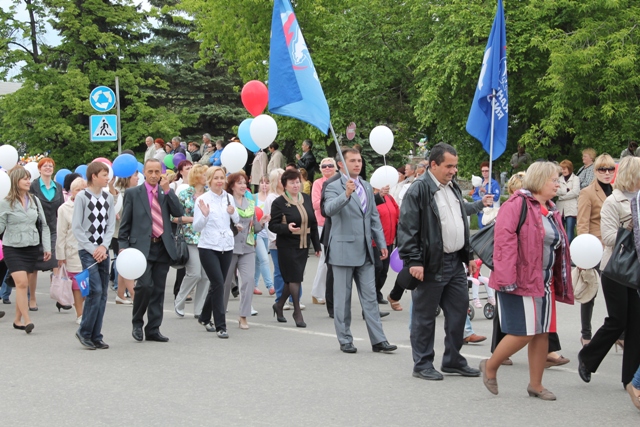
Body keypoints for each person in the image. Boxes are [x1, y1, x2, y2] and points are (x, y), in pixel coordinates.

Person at [397, 143, 493, 380]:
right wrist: (414, 261)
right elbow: (407, 228)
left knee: (459, 312)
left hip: (455, 262)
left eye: (455, 166)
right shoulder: (419, 189)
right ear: (433, 165)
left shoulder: (453, 189)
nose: (453, 171)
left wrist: (468, 256)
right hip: (429, 264)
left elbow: (460, 223)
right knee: (425, 316)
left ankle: (452, 360)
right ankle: (422, 363)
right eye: (449, 166)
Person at [480, 161, 574, 400]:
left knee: (542, 332)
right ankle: (491, 365)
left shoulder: (550, 208)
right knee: (524, 332)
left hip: (544, 280)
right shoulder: (517, 204)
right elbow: (504, 243)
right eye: (554, 180)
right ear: (540, 180)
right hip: (520, 279)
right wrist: (507, 278)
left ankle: (536, 384)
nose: (557, 184)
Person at [324, 147, 397, 354]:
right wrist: (346, 194)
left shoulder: (366, 186)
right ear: (341, 165)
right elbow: (328, 210)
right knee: (343, 299)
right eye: (353, 161)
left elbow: (373, 217)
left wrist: (381, 243)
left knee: (370, 297)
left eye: (359, 160)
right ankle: (345, 339)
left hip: (366, 250)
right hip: (343, 250)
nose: (358, 164)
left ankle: (378, 340)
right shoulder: (333, 186)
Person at [578, 156, 640, 388]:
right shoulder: (614, 201)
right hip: (615, 268)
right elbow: (609, 237)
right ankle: (587, 357)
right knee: (618, 320)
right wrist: (632, 227)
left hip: (636, 268)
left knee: (636, 324)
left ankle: (630, 380)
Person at [119, 158, 184, 343]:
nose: (154, 175)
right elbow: (125, 223)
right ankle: (137, 322)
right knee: (145, 286)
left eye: (157, 172)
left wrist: (167, 191)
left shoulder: (166, 193)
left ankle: (154, 328)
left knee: (158, 289)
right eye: (151, 172)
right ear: (144, 173)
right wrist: (123, 247)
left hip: (162, 246)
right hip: (141, 248)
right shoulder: (133, 193)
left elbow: (178, 212)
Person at [0, 166, 51, 334]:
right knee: (21, 283)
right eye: (25, 179)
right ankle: (27, 319)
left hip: (31, 246)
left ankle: (17, 320)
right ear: (16, 181)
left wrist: (47, 247)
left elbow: (44, 224)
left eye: (29, 178)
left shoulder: (34, 200)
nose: (29, 181)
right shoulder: (5, 202)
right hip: (12, 248)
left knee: (23, 285)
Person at [71, 162, 116, 349]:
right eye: (104, 174)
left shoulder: (108, 198)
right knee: (95, 290)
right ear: (94, 176)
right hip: (88, 251)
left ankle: (96, 334)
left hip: (103, 251)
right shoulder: (82, 196)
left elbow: (110, 225)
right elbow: (77, 227)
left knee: (103, 293)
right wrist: (93, 249)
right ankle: (84, 331)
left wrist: (104, 247)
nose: (107, 178)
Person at [269, 169, 320, 328]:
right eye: (292, 182)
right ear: (284, 185)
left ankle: (279, 305)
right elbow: (272, 225)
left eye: (297, 181)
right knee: (295, 279)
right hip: (287, 246)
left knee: (290, 280)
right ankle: (297, 311)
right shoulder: (279, 202)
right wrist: (287, 228)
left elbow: (312, 223)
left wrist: (317, 245)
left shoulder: (305, 198)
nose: (296, 185)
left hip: (303, 246)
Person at [193, 166, 239, 339]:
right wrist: (204, 215)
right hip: (208, 246)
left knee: (217, 283)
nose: (219, 181)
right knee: (219, 282)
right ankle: (221, 325)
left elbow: (235, 220)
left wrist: (233, 213)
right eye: (216, 178)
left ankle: (204, 317)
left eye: (222, 178)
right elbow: (196, 226)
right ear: (209, 180)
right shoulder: (203, 200)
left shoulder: (228, 198)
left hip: (226, 245)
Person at [577, 153, 615, 345]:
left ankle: (620, 334)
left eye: (610, 169)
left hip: (615, 247)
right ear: (595, 171)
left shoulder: (616, 190)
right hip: (594, 247)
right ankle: (586, 334)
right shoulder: (587, 192)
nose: (607, 173)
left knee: (616, 290)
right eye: (602, 169)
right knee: (589, 292)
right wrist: (583, 255)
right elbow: (582, 224)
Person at [220, 172, 266, 329]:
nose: (243, 185)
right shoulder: (226, 202)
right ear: (232, 185)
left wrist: (263, 223)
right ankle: (220, 314)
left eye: (244, 182)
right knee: (225, 283)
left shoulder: (250, 203)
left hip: (247, 247)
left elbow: (254, 228)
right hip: (229, 247)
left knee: (248, 281)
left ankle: (243, 316)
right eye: (239, 183)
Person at [174, 164, 210, 319]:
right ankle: (179, 300)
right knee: (195, 273)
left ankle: (199, 308)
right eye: (204, 174)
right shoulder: (184, 194)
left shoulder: (210, 195)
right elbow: (174, 217)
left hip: (207, 238)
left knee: (206, 276)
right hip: (189, 237)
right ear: (196, 176)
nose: (207, 177)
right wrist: (193, 219)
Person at [29, 157, 64, 312]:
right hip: (37, 230)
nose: (48, 168)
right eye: (45, 166)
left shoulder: (58, 186)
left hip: (54, 229)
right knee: (34, 267)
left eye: (51, 166)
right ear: (39, 169)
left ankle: (59, 296)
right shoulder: (33, 186)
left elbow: (62, 210)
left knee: (56, 263)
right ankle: (32, 299)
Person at [56, 177, 87, 324]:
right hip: (72, 251)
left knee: (87, 284)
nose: (81, 192)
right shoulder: (64, 209)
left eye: (83, 189)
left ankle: (86, 311)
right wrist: (60, 255)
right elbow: (61, 233)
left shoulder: (91, 205)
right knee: (76, 285)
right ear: (72, 192)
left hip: (89, 250)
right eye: (77, 190)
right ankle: (79, 314)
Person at [310, 158, 337, 305]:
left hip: (338, 224)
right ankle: (317, 292)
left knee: (334, 260)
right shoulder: (318, 183)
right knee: (325, 259)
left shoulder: (341, 181)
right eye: (324, 166)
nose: (327, 168)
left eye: (330, 165)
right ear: (320, 169)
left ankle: (329, 291)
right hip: (322, 223)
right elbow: (315, 204)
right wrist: (331, 200)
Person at [263, 168, 288, 305]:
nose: (283, 181)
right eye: (280, 178)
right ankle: (280, 299)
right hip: (277, 241)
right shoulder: (271, 198)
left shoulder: (289, 195)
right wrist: (274, 238)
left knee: (292, 269)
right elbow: (269, 220)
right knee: (279, 270)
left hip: (290, 238)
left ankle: (293, 298)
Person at [112, 173, 137, 305]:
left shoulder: (135, 192)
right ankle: (133, 294)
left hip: (128, 233)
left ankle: (120, 294)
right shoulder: (119, 194)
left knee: (123, 265)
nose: (138, 178)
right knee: (128, 264)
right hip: (119, 234)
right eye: (135, 176)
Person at [373, 184, 399, 304]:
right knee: (377, 267)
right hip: (376, 241)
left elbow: (397, 214)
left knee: (384, 270)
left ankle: (377, 292)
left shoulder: (390, 198)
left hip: (389, 239)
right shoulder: (372, 198)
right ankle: (371, 295)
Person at [253, 175, 274, 296]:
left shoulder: (272, 198)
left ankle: (254, 285)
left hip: (268, 233)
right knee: (265, 259)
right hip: (258, 233)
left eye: (267, 182)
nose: (264, 185)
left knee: (258, 260)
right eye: (262, 182)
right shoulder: (254, 197)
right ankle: (270, 286)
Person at [556, 159, 580, 243]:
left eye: (565, 168)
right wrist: (566, 190)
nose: (563, 171)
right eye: (562, 169)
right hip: (560, 209)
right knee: (560, 233)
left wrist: (562, 197)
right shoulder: (558, 179)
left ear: (569, 168)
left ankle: (570, 252)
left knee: (570, 234)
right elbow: (556, 191)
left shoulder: (576, 178)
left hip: (571, 209)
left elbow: (575, 192)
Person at [472, 161, 501, 229]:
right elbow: (474, 195)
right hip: (480, 210)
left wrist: (486, 191)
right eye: (483, 171)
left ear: (490, 171)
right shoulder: (479, 182)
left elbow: (496, 197)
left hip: (489, 211)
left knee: (489, 231)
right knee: (481, 231)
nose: (484, 173)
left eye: (486, 171)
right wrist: (481, 200)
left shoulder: (494, 183)